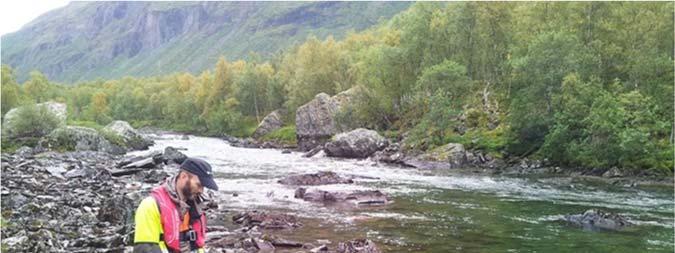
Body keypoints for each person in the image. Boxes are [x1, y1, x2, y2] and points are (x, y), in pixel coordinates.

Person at [133, 157, 219, 253]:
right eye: (199, 185)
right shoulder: (150, 205)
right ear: (183, 177)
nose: (201, 191)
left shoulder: (195, 208)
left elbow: (197, 246)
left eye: (203, 187)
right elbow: (144, 249)